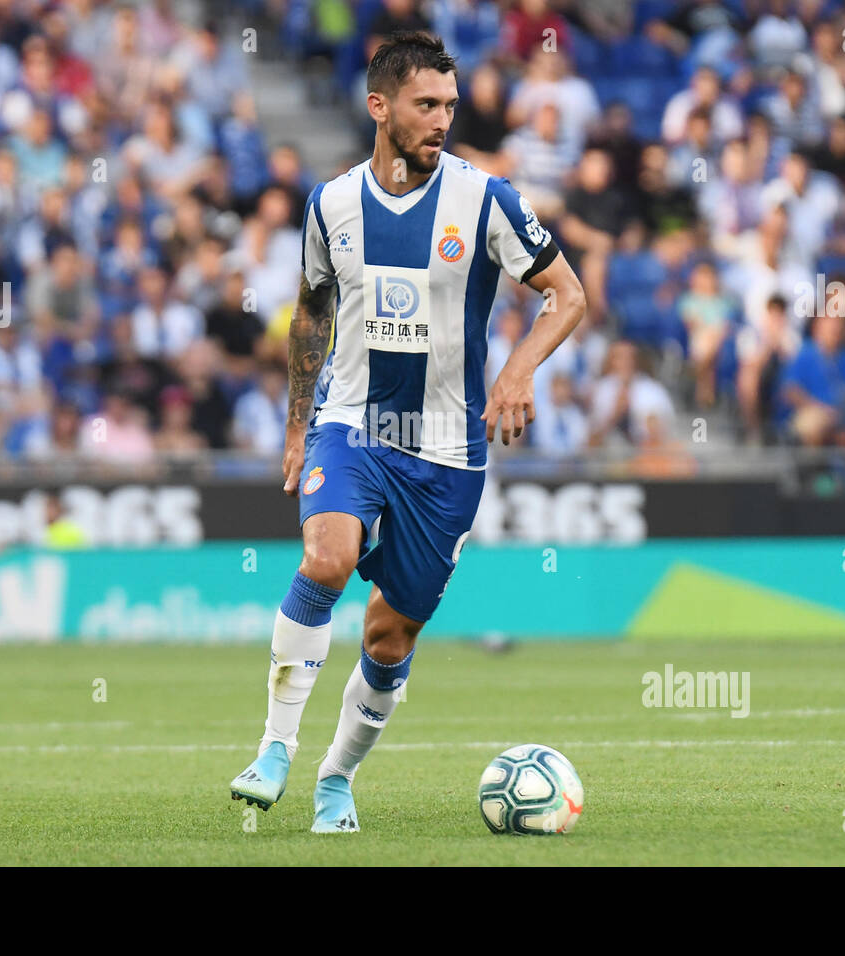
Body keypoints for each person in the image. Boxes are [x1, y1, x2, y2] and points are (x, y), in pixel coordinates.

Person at [228, 32, 585, 833]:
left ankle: (334, 778)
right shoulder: (331, 204)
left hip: (447, 451)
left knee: (390, 636)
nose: (441, 120)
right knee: (327, 555)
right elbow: (312, 313)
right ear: (379, 106)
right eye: (427, 105)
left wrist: (521, 369)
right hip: (352, 423)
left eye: (451, 106)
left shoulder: (487, 200)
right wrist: (297, 427)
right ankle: (275, 748)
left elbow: (567, 294)